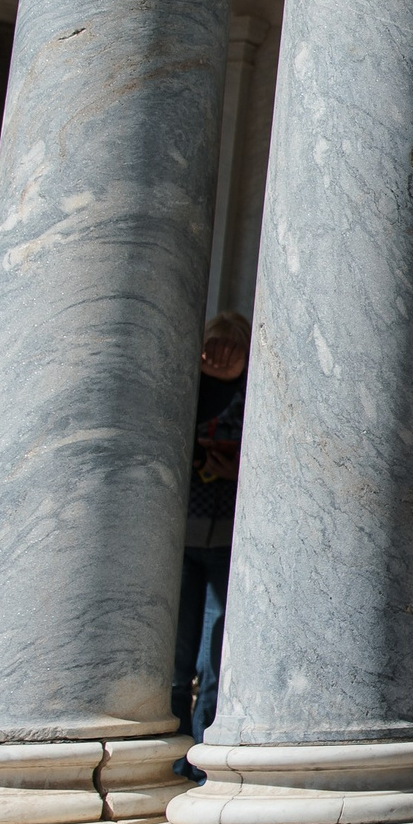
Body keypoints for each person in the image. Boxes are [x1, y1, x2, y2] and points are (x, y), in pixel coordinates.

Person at [173, 311, 250, 750]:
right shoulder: (189, 389)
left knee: (216, 660)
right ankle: (173, 759)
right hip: (182, 537)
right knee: (176, 663)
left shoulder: (250, 391)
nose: (220, 357)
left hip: (228, 542)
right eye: (212, 349)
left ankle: (203, 756)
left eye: (231, 349)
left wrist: (239, 468)